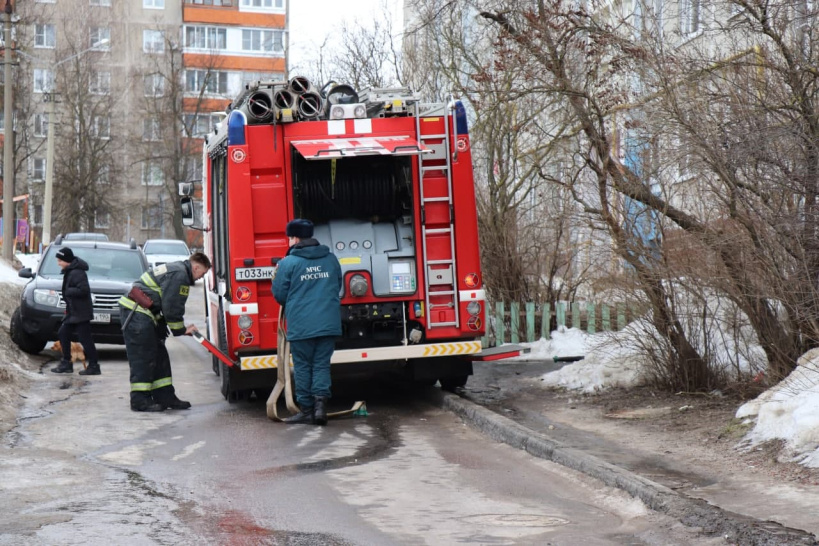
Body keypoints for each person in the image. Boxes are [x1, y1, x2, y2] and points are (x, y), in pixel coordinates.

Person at [119, 251, 211, 412]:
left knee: (159, 355)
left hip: (144, 313)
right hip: (137, 313)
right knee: (143, 357)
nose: (201, 278)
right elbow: (172, 307)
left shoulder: (177, 269)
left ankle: (165, 396)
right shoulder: (181, 275)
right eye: (202, 273)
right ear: (195, 267)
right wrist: (181, 329)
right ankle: (140, 400)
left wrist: (161, 323)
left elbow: (161, 299)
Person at [272, 219, 342, 425]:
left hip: (302, 324)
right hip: (328, 323)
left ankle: (307, 409)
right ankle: (321, 409)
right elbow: (337, 285)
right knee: (321, 364)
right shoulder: (330, 259)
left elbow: (279, 294)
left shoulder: (288, 263)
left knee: (303, 365)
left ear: (294, 238)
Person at [51, 247, 101, 376]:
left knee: (85, 339)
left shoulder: (77, 273)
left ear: (67, 260)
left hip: (81, 312)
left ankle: (94, 365)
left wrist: (68, 292)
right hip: (74, 312)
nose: (58, 263)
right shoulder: (71, 271)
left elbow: (84, 290)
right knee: (63, 333)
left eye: (60, 260)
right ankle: (67, 363)